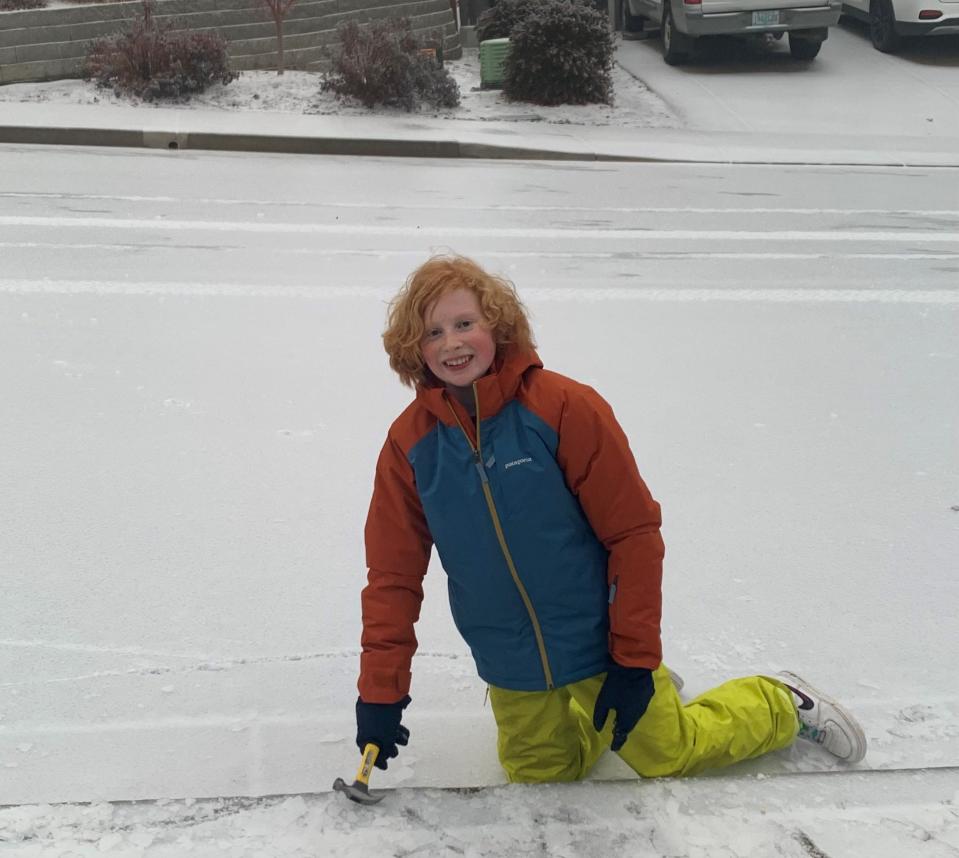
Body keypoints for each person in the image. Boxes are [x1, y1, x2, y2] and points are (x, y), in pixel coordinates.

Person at [354, 253, 867, 783]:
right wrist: (380, 694)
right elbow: (392, 578)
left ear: (498, 326)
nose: (451, 343)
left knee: (668, 753)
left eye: (465, 324)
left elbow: (633, 536)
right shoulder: (409, 446)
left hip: (597, 639)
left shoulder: (562, 407)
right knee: (541, 778)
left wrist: (634, 659)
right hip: (509, 659)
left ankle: (779, 700)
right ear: (413, 347)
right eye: (432, 332)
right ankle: (606, 707)